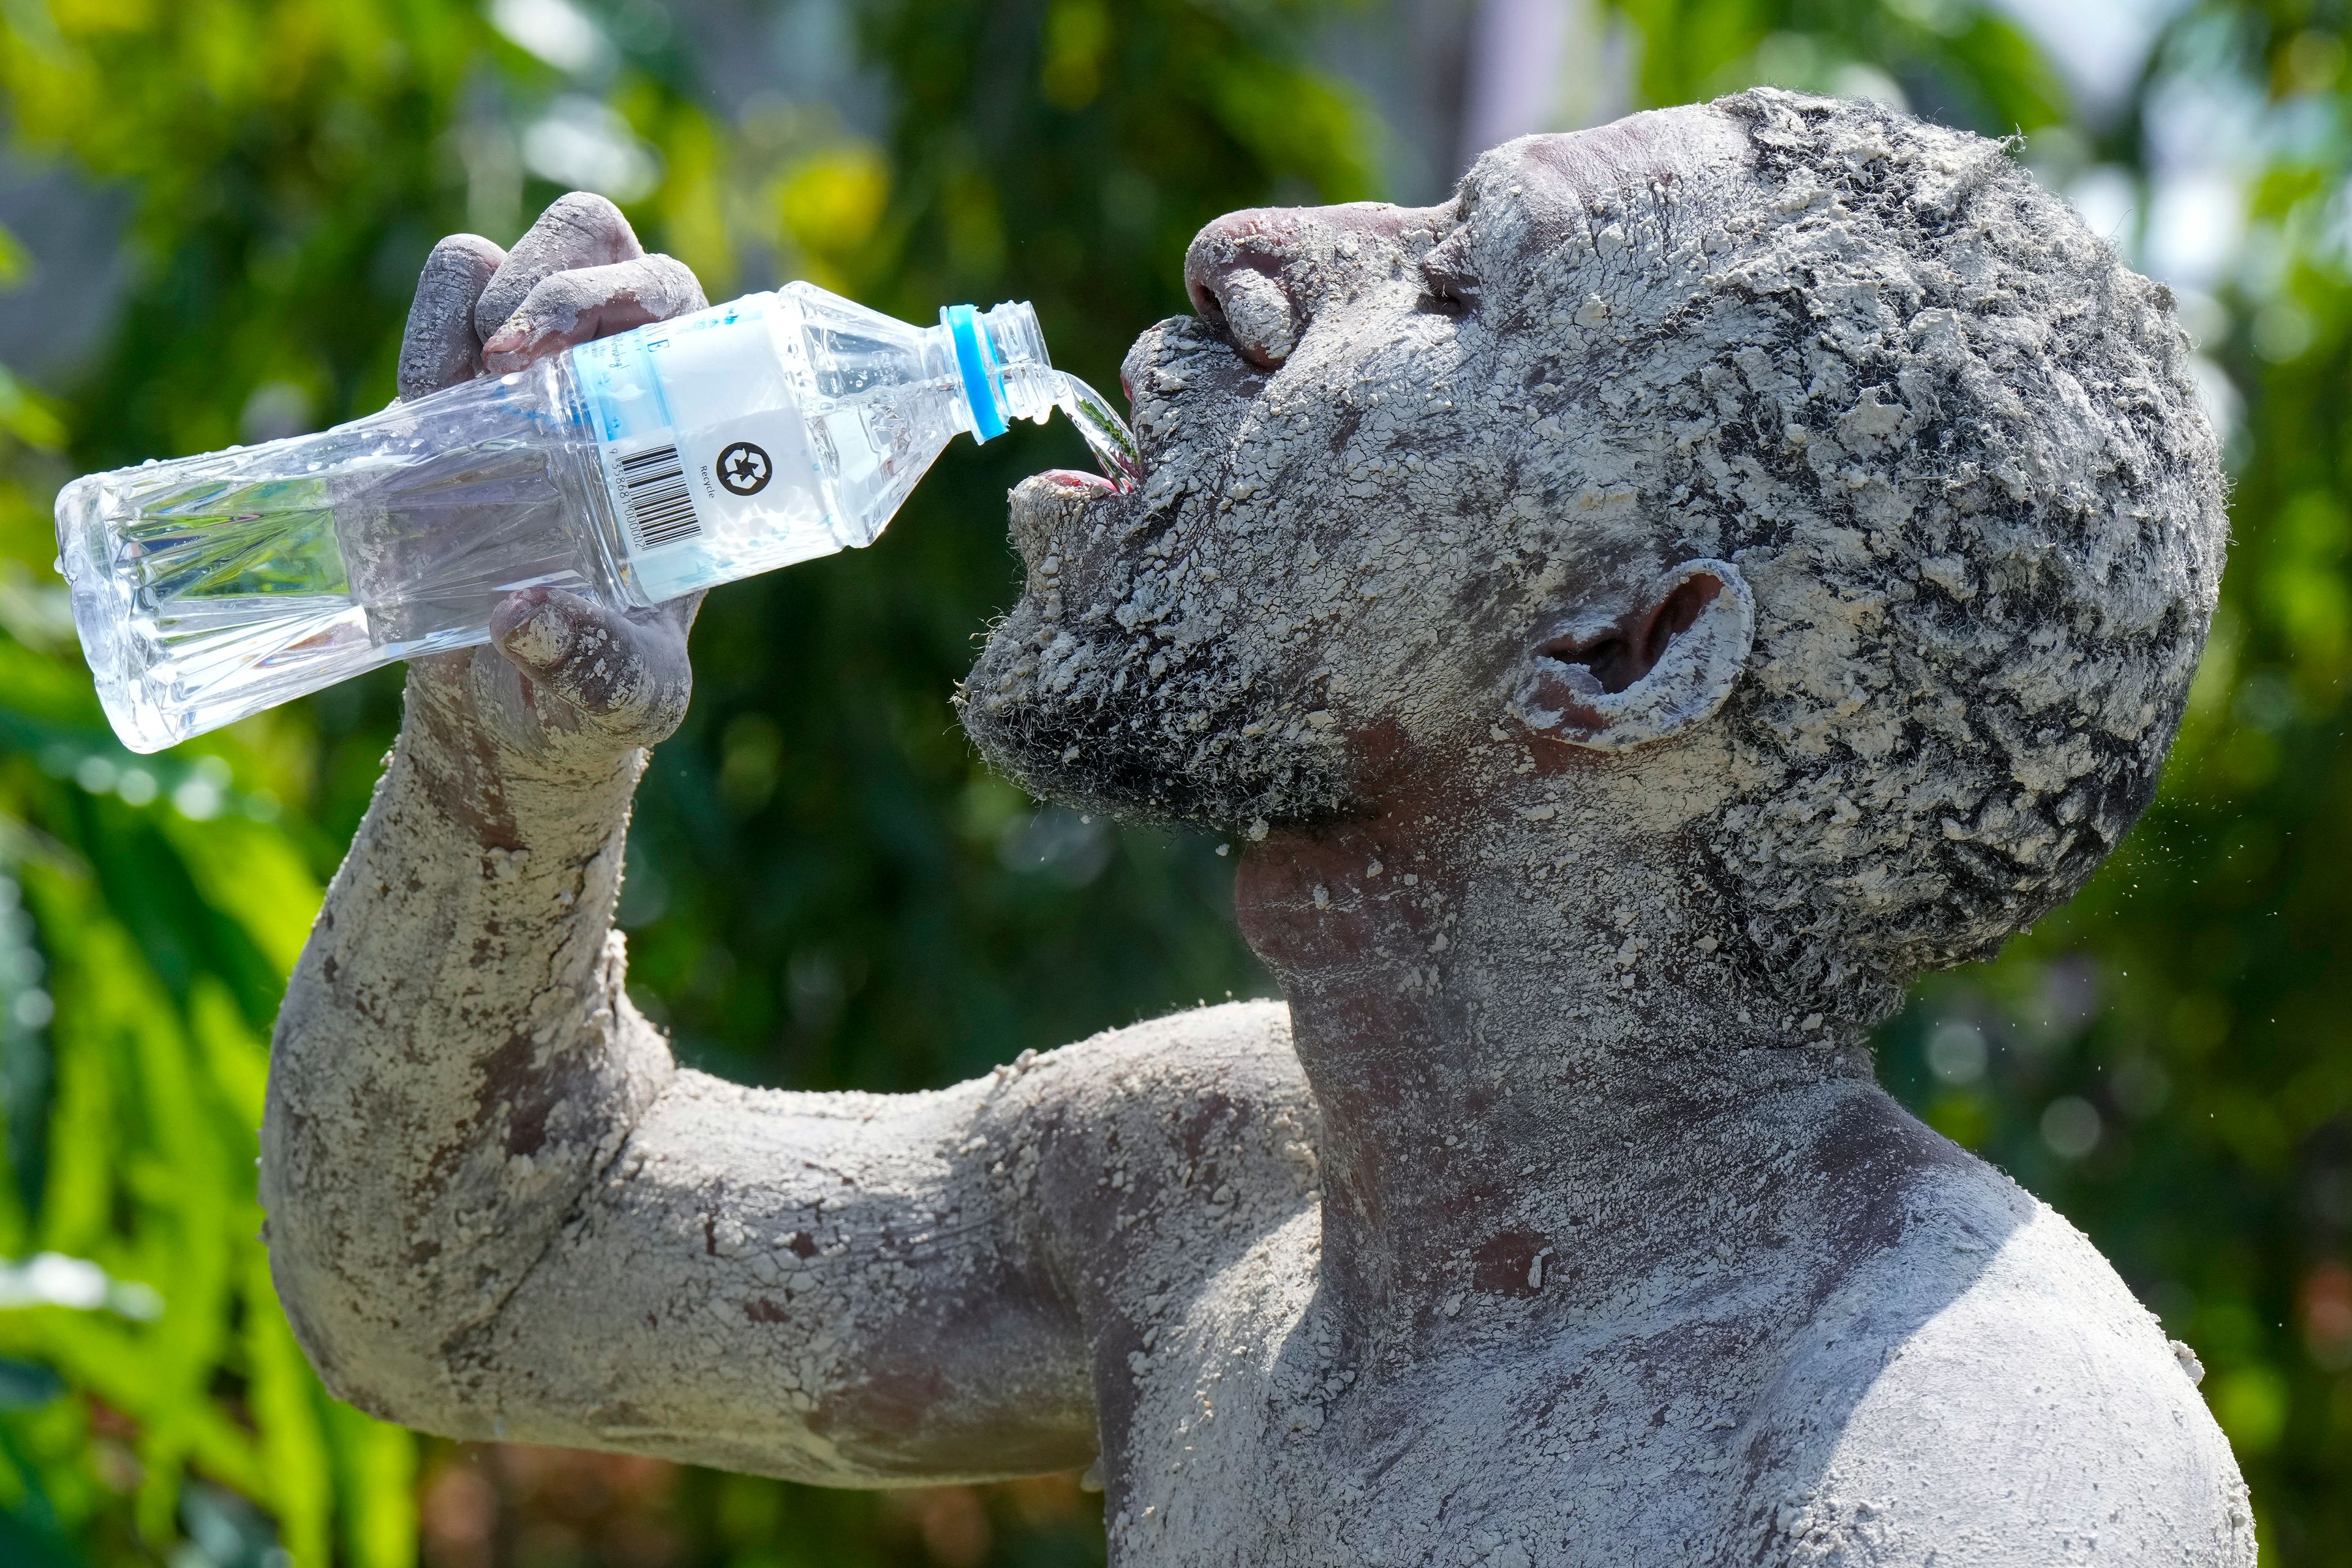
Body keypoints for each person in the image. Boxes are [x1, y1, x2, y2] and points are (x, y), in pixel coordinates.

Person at [261, 88, 2253, 1564]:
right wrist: (504, 764)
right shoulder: (1219, 1184)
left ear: (1630, 649)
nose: (1247, 242)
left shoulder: (1947, 1464)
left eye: (1464, 285)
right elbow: (464, 1286)